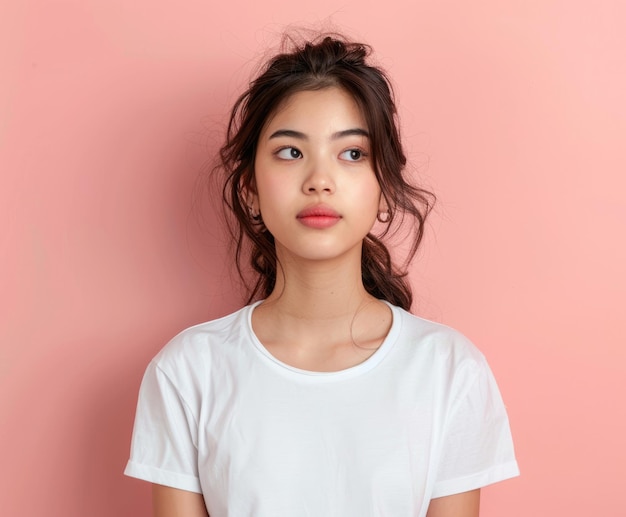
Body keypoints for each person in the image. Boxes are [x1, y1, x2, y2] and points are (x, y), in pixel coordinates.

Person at [124, 34, 519, 517]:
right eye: (290, 152)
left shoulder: (449, 370)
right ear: (249, 188)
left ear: (384, 187)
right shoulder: (188, 371)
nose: (319, 179)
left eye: (352, 154)